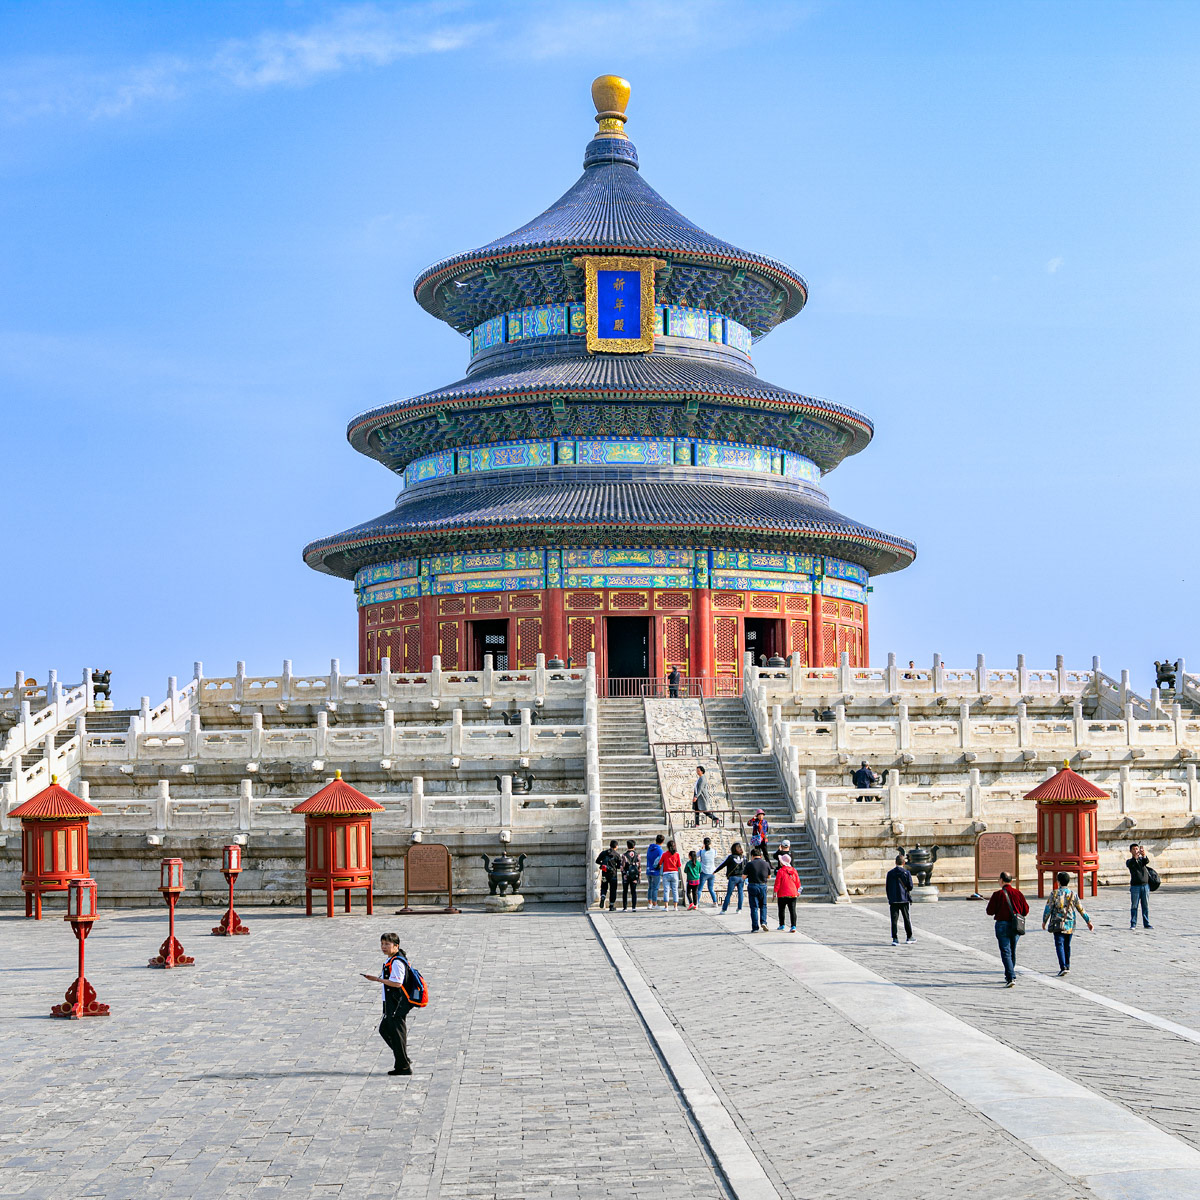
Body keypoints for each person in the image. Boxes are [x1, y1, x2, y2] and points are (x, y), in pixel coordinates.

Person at [361, 933, 414, 1075]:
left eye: (387, 944)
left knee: (395, 1033)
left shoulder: (397, 962)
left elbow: (397, 983)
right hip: (392, 1003)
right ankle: (403, 1060)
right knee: (387, 1030)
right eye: (382, 944)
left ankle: (403, 1066)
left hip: (397, 1003)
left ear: (396, 946)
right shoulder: (393, 959)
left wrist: (377, 979)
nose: (383, 947)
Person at [1042, 871, 1094, 975]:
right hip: (1070, 924)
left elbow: (1048, 908)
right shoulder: (1073, 894)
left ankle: (1063, 966)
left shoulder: (1054, 894)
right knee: (1067, 945)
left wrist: (1044, 921)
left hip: (1057, 922)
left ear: (1058, 882)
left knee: (1059, 944)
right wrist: (1088, 921)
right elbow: (1081, 909)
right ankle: (1067, 965)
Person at [986, 871, 1030, 987]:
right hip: (1016, 926)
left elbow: (989, 911)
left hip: (1002, 925)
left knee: (1006, 951)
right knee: (1012, 950)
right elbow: (1025, 910)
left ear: (1001, 880)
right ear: (1011, 881)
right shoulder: (1018, 893)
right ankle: (1009, 973)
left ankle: (1010, 976)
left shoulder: (997, 894)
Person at [885, 853, 914, 945]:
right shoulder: (906, 873)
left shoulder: (890, 873)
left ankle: (895, 938)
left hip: (893, 899)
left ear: (895, 862)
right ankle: (909, 937)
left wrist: (890, 898)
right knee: (906, 918)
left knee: (894, 920)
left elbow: (887, 887)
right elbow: (910, 887)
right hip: (904, 899)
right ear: (904, 863)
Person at [1127, 843, 1153, 929]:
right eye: (1134, 849)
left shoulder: (1142, 860)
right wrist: (1135, 857)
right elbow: (1131, 865)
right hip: (1135, 886)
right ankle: (1133, 923)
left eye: (1137, 849)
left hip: (1145, 886)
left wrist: (1143, 854)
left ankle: (1146, 923)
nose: (1136, 850)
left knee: (1145, 906)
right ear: (1130, 851)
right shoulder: (1129, 861)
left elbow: (1146, 861)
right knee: (1134, 905)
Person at [773, 852, 801, 931]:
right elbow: (798, 882)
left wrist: (775, 892)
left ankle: (782, 925)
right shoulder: (794, 870)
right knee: (792, 910)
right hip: (793, 893)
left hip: (782, 894)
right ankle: (793, 926)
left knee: (781, 910)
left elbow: (777, 883)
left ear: (782, 862)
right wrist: (798, 891)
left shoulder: (780, 871)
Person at [745, 846, 771, 932]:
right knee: (763, 905)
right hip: (763, 885)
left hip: (753, 886)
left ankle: (755, 927)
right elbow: (769, 876)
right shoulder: (766, 864)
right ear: (761, 855)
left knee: (754, 907)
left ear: (752, 856)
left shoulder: (749, 864)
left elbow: (743, 876)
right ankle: (763, 922)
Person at [717, 843, 747, 912]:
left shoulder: (731, 857)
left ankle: (724, 909)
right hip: (741, 877)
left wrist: (715, 871)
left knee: (729, 893)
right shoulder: (744, 857)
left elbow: (723, 865)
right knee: (740, 893)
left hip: (733, 877)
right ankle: (739, 909)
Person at [595, 840, 620, 911]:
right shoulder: (617, 855)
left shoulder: (604, 853)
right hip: (613, 875)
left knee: (604, 886)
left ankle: (603, 896)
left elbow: (597, 861)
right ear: (616, 846)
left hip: (604, 874)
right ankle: (611, 905)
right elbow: (619, 866)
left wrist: (603, 865)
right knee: (613, 889)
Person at [659, 839, 682, 911]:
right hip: (674, 873)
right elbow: (679, 865)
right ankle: (675, 907)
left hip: (666, 873)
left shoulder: (664, 854)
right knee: (675, 890)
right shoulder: (677, 855)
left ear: (667, 846)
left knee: (666, 890)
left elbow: (660, 863)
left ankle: (666, 907)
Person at [620, 839, 641, 911]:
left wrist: (623, 873)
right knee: (633, 891)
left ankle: (625, 907)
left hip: (626, 875)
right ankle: (634, 907)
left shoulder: (624, 855)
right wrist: (639, 876)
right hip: (634, 875)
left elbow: (622, 867)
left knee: (625, 891)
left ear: (627, 846)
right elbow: (639, 867)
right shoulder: (637, 855)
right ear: (634, 846)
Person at [646, 834, 665, 909]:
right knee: (655, 888)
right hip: (656, 871)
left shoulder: (650, 848)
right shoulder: (660, 850)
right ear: (663, 842)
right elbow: (661, 860)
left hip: (648, 869)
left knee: (650, 887)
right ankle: (654, 904)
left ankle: (649, 903)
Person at [697, 837, 718, 905]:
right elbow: (715, 855)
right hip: (712, 872)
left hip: (704, 872)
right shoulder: (714, 851)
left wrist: (702, 848)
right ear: (710, 843)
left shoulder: (701, 852)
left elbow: (696, 856)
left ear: (704, 843)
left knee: (699, 889)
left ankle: (697, 902)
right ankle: (715, 902)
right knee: (711, 889)